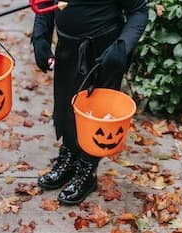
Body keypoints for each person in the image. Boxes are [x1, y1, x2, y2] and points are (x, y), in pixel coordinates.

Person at [32, 0, 148, 205]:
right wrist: (41, 36)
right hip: (68, 47)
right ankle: (69, 155)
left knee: (95, 114)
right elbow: (43, 3)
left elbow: (138, 12)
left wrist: (122, 48)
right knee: (66, 106)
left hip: (105, 52)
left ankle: (88, 168)